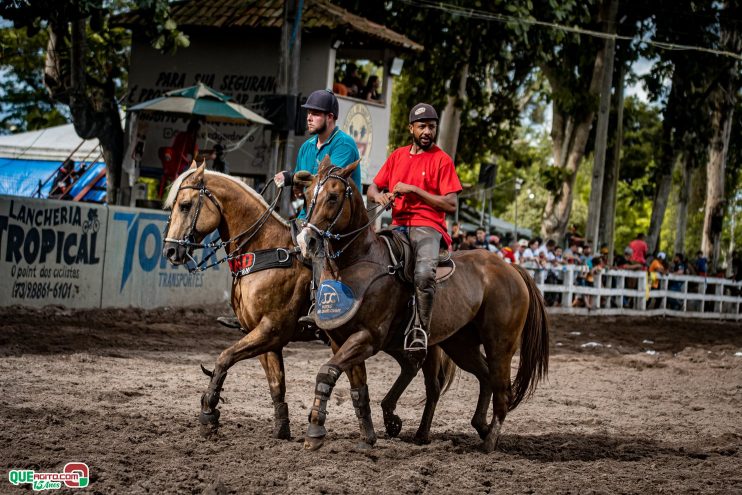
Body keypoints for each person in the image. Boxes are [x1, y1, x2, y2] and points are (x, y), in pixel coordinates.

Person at [219, 90, 360, 332]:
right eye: (308, 113)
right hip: (309, 218)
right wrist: (294, 186)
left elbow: (328, 183)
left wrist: (293, 177)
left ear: (331, 117)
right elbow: (302, 188)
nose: (309, 117)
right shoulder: (306, 147)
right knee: (272, 247)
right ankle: (254, 311)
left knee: (316, 249)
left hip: (336, 222)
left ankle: (321, 308)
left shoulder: (343, 144)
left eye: (315, 113)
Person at [367, 102, 462, 353]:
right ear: (411, 128)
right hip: (397, 226)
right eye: (422, 126)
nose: (427, 131)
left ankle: (421, 329)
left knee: (423, 274)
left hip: (428, 228)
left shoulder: (442, 160)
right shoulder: (397, 155)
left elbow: (451, 204)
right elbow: (372, 189)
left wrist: (415, 190)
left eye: (431, 126)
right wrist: (381, 197)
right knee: (371, 262)